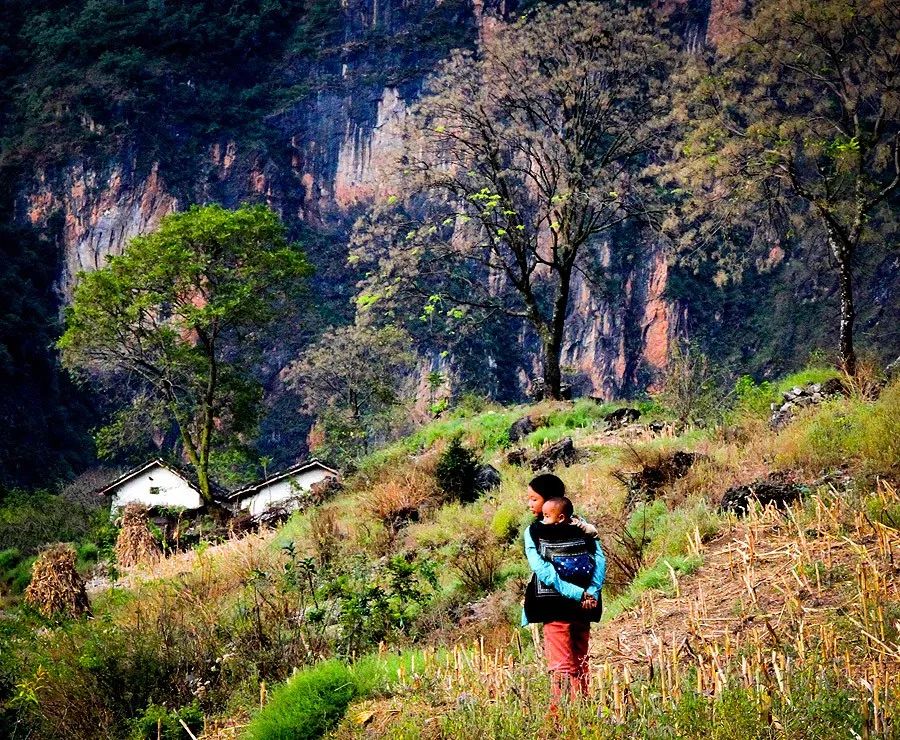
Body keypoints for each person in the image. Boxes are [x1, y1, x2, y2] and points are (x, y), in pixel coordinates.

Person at [522, 474, 605, 708]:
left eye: (534, 499)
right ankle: (584, 710)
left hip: (554, 606)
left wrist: (577, 594)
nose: (530, 504)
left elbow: (543, 571)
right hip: (585, 607)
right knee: (580, 661)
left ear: (549, 500)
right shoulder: (582, 526)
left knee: (560, 665)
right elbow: (599, 560)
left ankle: (561, 716)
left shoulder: (534, 531)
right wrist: (590, 593)